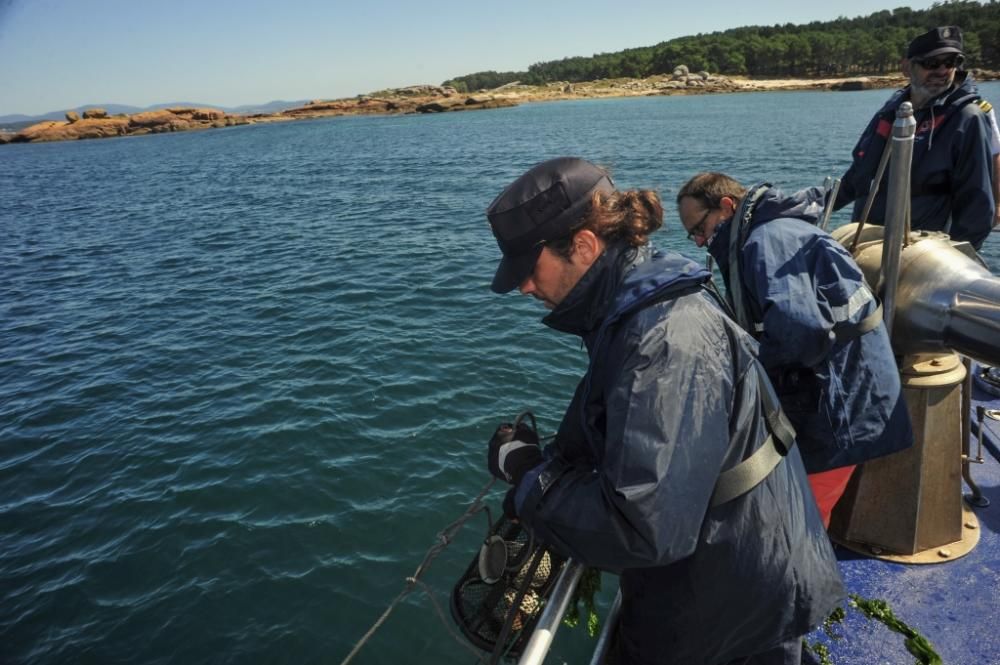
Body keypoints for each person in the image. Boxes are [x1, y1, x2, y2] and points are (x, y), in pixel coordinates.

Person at [484, 157, 844, 665]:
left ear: (583, 246)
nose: (523, 287)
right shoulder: (636, 299)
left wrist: (527, 481)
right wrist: (547, 461)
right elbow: (610, 408)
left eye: (529, 270)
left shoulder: (664, 340)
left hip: (738, 597)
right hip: (734, 562)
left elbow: (642, 526)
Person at [676, 173, 914, 527]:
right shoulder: (770, 236)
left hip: (842, 409)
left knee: (803, 523)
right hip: (838, 394)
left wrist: (743, 373)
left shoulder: (767, 242)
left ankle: (807, 580)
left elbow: (799, 331)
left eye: (699, 228)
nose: (698, 243)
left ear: (726, 207)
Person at [834, 25, 995, 250]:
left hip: (920, 255)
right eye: (931, 63)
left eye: (950, 62)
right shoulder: (891, 111)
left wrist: (953, 263)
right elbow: (857, 179)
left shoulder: (968, 118)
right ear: (906, 67)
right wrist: (808, 205)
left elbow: (977, 207)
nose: (942, 70)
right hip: (866, 244)